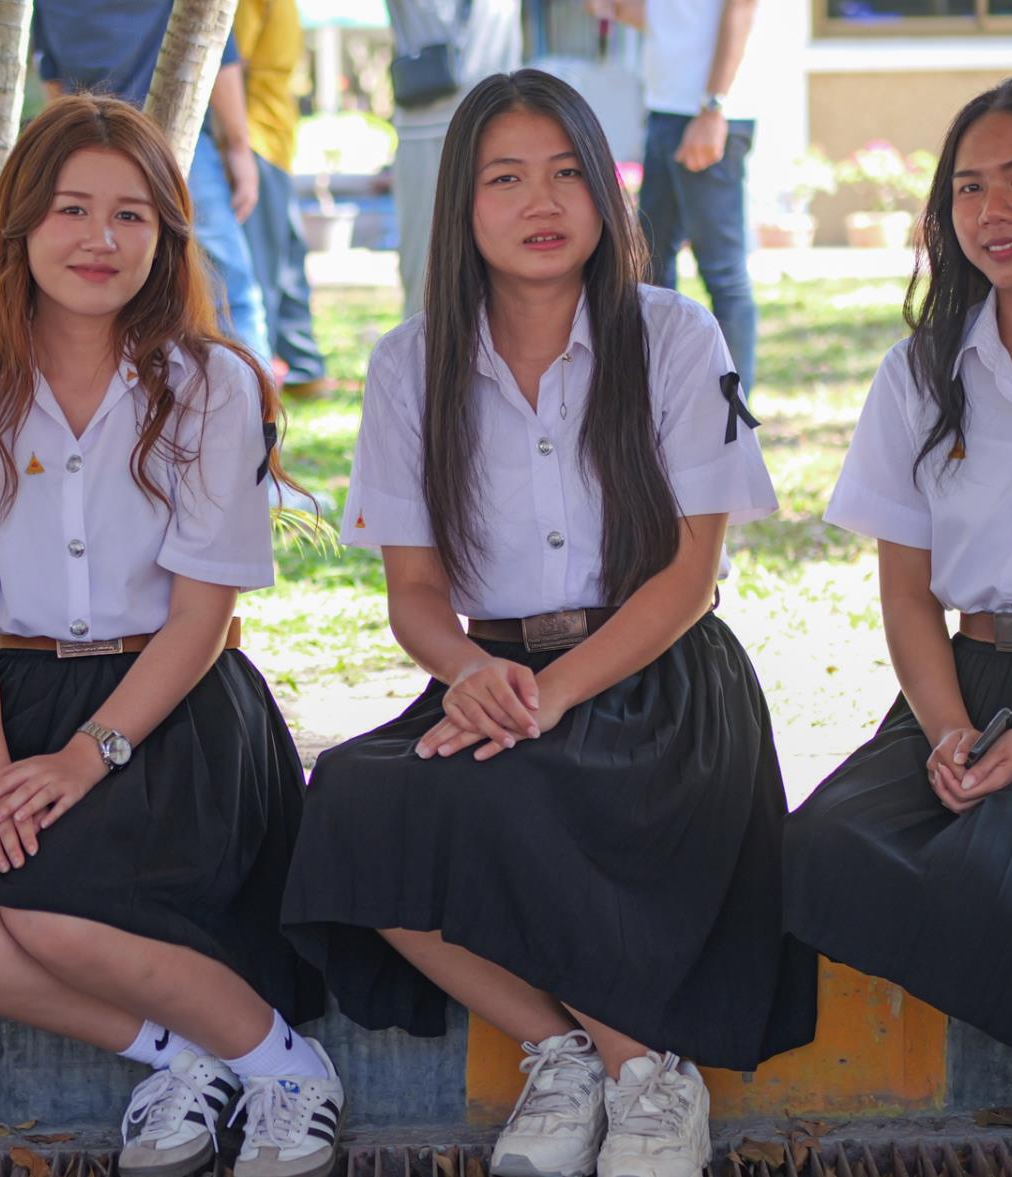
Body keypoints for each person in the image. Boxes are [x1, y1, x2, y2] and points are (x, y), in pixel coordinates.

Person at [282, 70, 816, 1177]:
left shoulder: (675, 335)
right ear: (463, 204)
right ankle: (566, 1054)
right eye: (507, 178)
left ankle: (650, 1078)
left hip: (660, 675)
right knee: (356, 801)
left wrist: (553, 696)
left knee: (514, 785)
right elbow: (414, 593)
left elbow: (692, 576)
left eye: (569, 173)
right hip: (496, 671)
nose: (542, 202)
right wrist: (470, 672)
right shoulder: (407, 364)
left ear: (607, 195)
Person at [0, 95, 339, 1177]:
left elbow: (203, 616)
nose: (99, 239)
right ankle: (182, 1056)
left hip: (172, 707)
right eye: (71, 209)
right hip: (14, 704)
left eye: (130, 215)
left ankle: (286, 1065)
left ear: (167, 235)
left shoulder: (211, 384)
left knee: (52, 912)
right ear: (21, 226)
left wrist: (87, 757)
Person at [783, 77, 1012, 1173]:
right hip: (975, 679)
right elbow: (908, 592)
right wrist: (951, 729)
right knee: (826, 848)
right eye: (968, 188)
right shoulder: (920, 370)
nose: (994, 210)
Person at [32, 0, 273, 364]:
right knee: (228, 289)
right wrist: (239, 147)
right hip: (177, 147)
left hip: (89, 150)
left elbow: (55, 85)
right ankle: (253, 395)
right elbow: (217, 53)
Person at [592, 0, 759, 395]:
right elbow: (667, 19)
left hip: (709, 114)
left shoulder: (712, 110)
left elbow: (742, 9)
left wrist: (713, 107)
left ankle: (732, 416)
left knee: (722, 273)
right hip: (664, 110)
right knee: (650, 269)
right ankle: (656, 400)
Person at [384, 0, 521, 318]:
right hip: (425, 136)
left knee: (506, 271)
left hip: (502, 129)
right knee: (427, 272)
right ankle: (428, 350)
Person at [234, 0, 327, 396]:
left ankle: (300, 368)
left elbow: (236, 64)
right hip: (258, 141)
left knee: (279, 263)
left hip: (267, 142)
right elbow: (231, 64)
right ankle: (273, 372)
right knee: (270, 267)